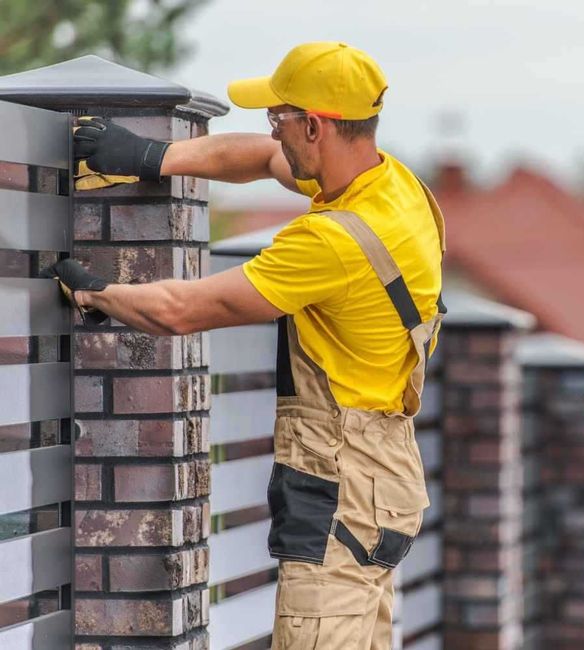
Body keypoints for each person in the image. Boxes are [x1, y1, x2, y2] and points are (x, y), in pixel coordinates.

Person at [46, 41, 446, 649]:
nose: (272, 132)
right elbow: (263, 161)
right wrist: (154, 156)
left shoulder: (330, 242)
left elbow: (184, 310)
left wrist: (97, 292)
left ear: (316, 126)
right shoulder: (392, 189)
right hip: (383, 479)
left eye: (278, 118)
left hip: (340, 486)